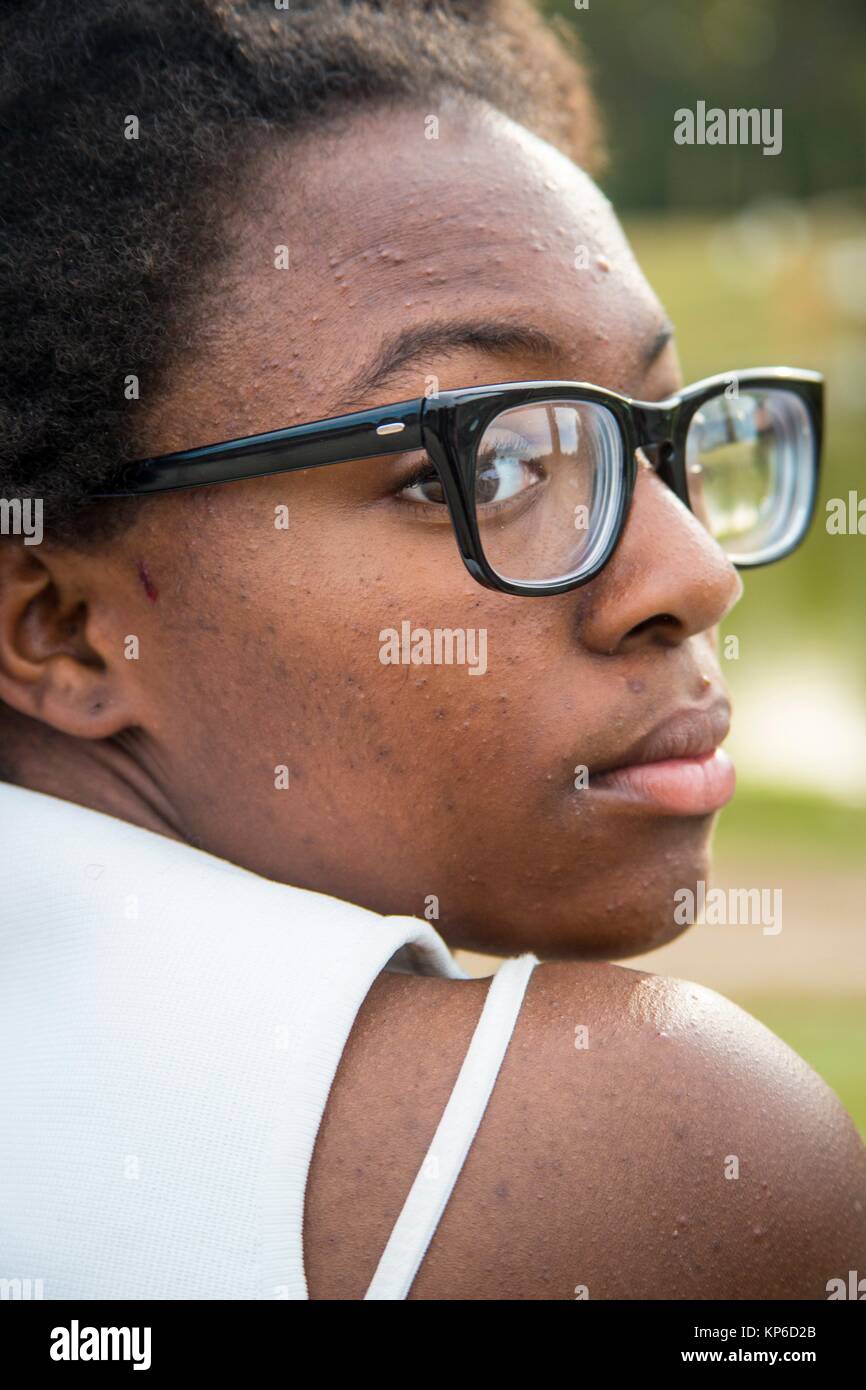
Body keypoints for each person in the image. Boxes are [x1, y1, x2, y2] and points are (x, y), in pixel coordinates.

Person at [0, 0, 863, 1300]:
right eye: (495, 459)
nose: (693, 573)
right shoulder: (644, 1153)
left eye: (650, 438)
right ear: (60, 625)